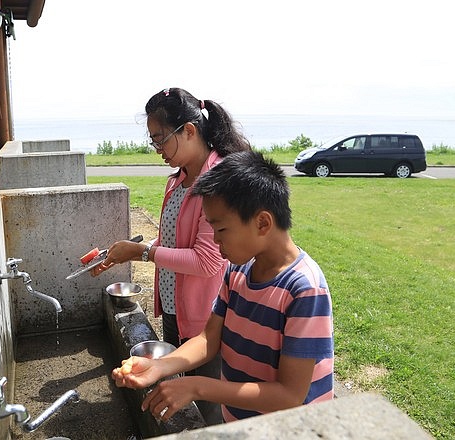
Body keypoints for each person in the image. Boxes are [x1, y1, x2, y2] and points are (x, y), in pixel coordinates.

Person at [112, 151, 334, 423]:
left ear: (262, 223)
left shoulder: (304, 290)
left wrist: (196, 387)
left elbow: (289, 395)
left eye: (221, 230)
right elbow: (208, 339)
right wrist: (159, 366)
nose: (215, 241)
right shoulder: (238, 270)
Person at [92, 87, 251, 424]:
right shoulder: (177, 180)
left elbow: (207, 261)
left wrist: (142, 252)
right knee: (184, 392)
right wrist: (124, 251)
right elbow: (172, 240)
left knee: (209, 403)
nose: (158, 149)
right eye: (153, 141)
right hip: (175, 307)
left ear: (189, 131)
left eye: (161, 139)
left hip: (206, 315)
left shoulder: (217, 182)